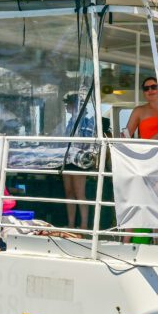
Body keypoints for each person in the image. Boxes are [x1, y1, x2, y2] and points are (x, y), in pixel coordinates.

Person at [62, 93, 95, 229]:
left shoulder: (86, 122)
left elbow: (86, 143)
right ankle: (70, 224)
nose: (66, 107)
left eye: (68, 104)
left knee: (79, 193)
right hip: (68, 160)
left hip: (79, 161)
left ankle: (83, 225)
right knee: (69, 193)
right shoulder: (70, 122)